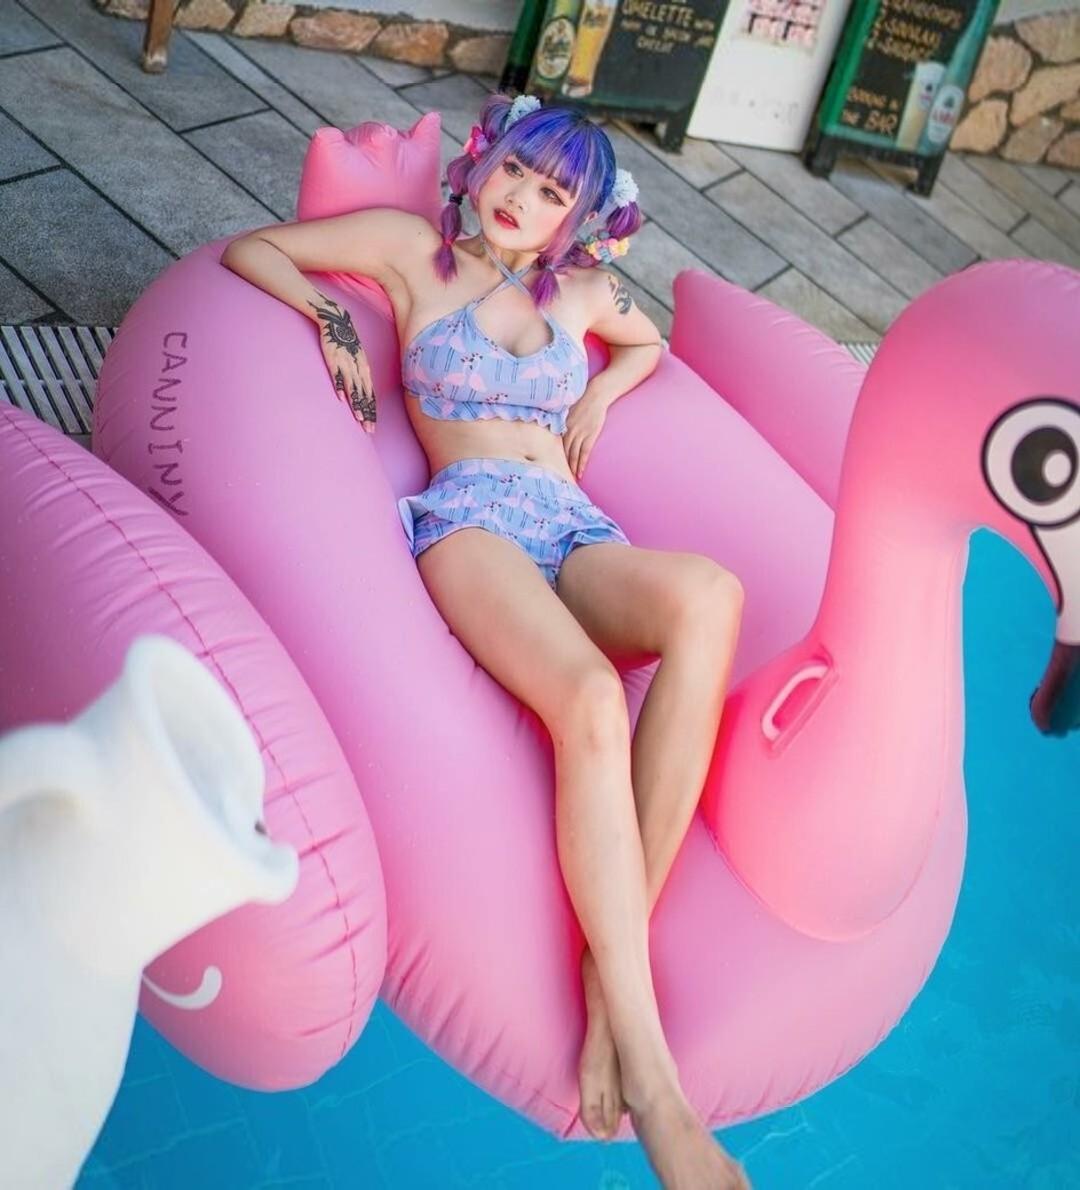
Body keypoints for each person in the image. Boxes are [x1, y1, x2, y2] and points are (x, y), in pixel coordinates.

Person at [222, 91, 749, 1189]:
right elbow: (255, 249)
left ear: (576, 221)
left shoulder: (585, 293)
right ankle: (651, 1075)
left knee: (710, 595)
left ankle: (607, 981)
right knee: (592, 699)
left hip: (574, 525)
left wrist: (604, 388)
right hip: (471, 524)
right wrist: (329, 320)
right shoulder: (414, 251)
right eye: (515, 170)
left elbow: (649, 338)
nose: (522, 199)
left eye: (553, 193)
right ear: (482, 163)